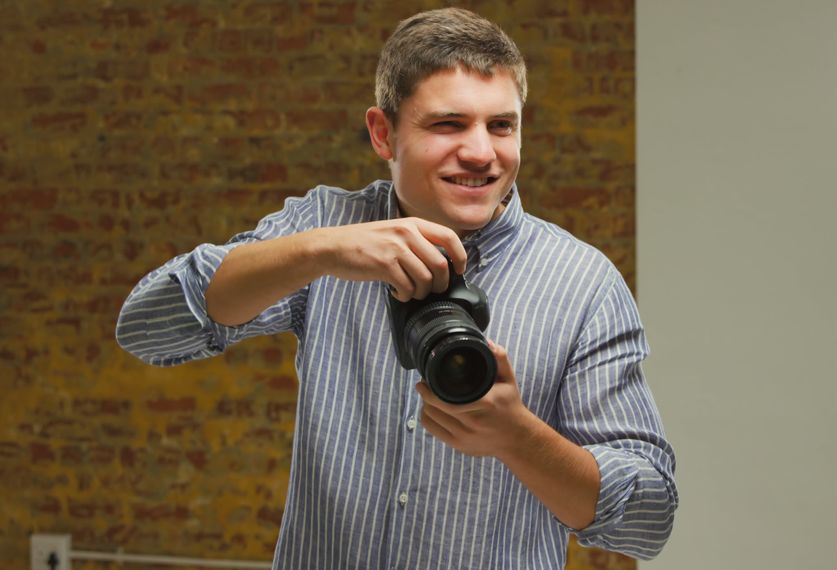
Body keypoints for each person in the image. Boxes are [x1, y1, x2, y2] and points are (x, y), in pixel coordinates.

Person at [116, 7, 676, 569]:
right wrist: (320, 250)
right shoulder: (328, 229)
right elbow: (147, 328)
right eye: (448, 124)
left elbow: (648, 520)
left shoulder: (583, 282)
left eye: (501, 125)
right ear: (383, 134)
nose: (482, 152)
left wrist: (517, 437)